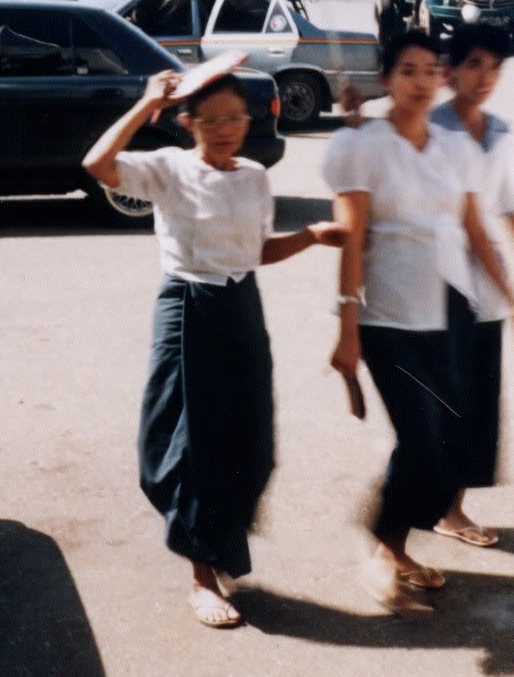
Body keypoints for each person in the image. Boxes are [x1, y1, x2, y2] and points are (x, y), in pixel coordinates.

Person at [82, 71, 343, 629]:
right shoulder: (170, 169)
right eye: (212, 119)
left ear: (251, 121)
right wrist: (147, 102)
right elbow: (97, 165)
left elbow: (256, 253)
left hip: (242, 306)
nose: (226, 130)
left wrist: (313, 237)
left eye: (236, 118)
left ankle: (220, 544)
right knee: (195, 442)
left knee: (251, 439)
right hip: (188, 307)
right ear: (188, 123)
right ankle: (201, 577)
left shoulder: (252, 177)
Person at [323, 30, 514, 615]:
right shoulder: (362, 145)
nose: (421, 81)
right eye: (406, 70)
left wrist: (513, 299)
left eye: (429, 71)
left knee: (451, 441)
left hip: (451, 310)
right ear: (386, 80)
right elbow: (352, 238)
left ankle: (393, 542)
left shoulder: (452, 146)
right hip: (390, 319)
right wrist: (346, 327)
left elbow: (474, 228)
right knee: (420, 435)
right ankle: (384, 546)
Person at [427, 25, 514, 553]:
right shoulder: (429, 129)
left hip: (484, 283)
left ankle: (447, 507)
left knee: (475, 398)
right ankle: (437, 509)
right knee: (441, 400)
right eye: (474, 64)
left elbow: (509, 200)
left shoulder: (498, 131)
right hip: (436, 281)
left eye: (494, 66)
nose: (485, 77)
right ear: (450, 71)